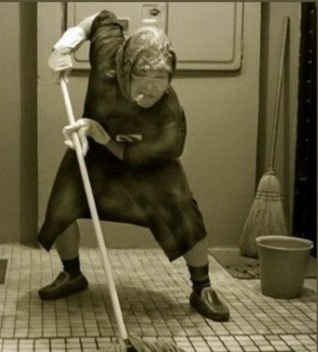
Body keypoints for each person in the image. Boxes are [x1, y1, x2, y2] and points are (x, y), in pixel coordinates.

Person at [37, 10, 230, 322]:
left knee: (183, 209)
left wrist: (104, 137)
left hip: (147, 162)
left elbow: (137, 156)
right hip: (91, 150)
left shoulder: (170, 115)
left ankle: (202, 287)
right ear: (125, 67)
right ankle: (72, 274)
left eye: (161, 76)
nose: (151, 87)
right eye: (142, 74)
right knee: (62, 206)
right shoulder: (107, 56)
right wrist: (63, 47)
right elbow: (98, 19)